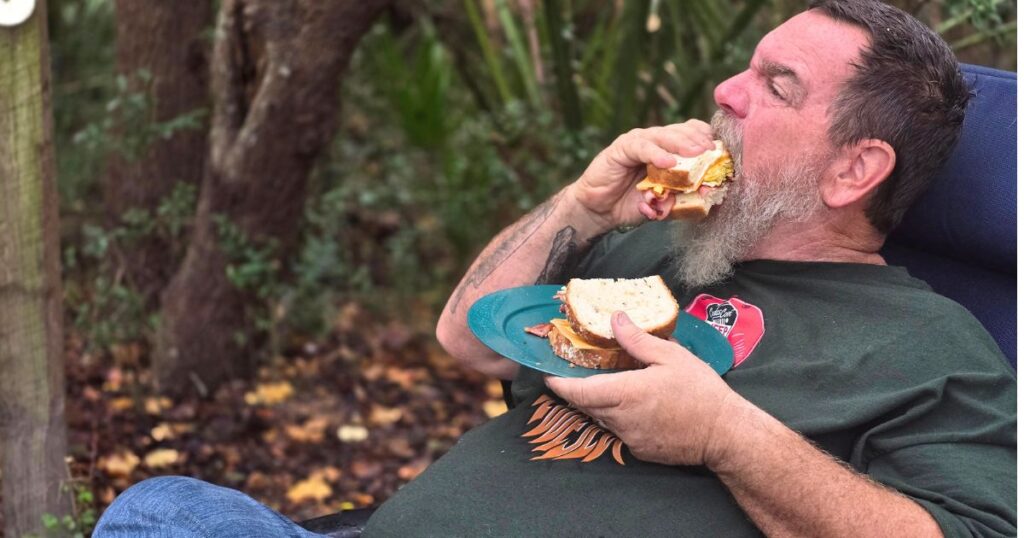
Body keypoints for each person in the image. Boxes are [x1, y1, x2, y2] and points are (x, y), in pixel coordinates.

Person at [94, 1, 1016, 536]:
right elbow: (471, 340)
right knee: (164, 509)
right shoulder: (662, 247)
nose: (725, 94)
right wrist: (582, 205)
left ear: (855, 168)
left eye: (776, 87)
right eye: (745, 69)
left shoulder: (930, 346)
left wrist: (723, 435)